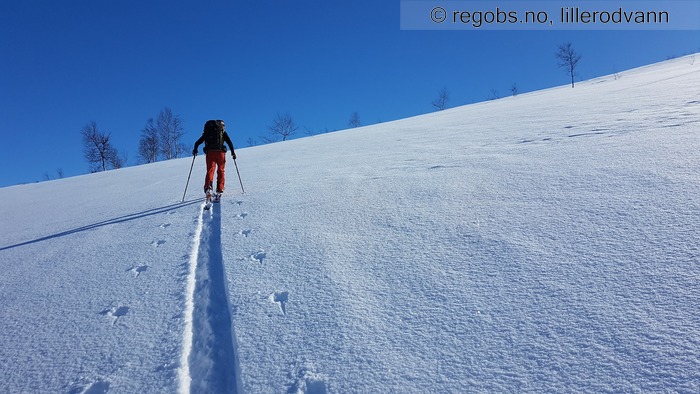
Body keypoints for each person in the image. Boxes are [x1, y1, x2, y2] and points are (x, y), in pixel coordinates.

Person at [192, 119, 236, 198]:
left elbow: (197, 143)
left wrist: (195, 150)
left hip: (210, 153)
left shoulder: (207, 132)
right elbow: (229, 142)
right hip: (220, 153)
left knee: (210, 170)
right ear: (222, 126)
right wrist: (233, 153)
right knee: (221, 170)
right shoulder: (222, 132)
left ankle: (208, 187)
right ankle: (220, 189)